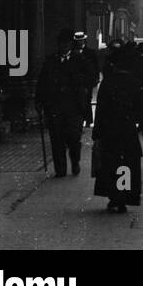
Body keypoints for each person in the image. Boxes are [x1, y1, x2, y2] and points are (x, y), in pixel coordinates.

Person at [92, 43, 143, 213]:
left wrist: (97, 131)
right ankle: (124, 196)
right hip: (127, 129)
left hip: (110, 129)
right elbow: (142, 108)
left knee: (112, 162)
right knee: (127, 163)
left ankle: (114, 196)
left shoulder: (108, 83)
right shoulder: (134, 82)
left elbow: (100, 109)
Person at [35, 28, 88, 177]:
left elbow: (90, 77)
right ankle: (60, 170)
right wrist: (39, 100)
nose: (64, 46)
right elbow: (42, 81)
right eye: (62, 43)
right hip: (55, 107)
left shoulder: (80, 59)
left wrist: (81, 90)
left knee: (73, 138)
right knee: (57, 138)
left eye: (67, 43)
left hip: (73, 107)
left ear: (71, 44)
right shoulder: (51, 61)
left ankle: (75, 161)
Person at [71, 31, 98, 128]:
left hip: (87, 81)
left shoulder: (90, 52)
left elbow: (95, 67)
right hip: (77, 81)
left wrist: (95, 79)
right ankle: (81, 119)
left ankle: (88, 120)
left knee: (87, 100)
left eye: (81, 41)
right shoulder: (72, 52)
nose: (80, 42)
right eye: (78, 41)